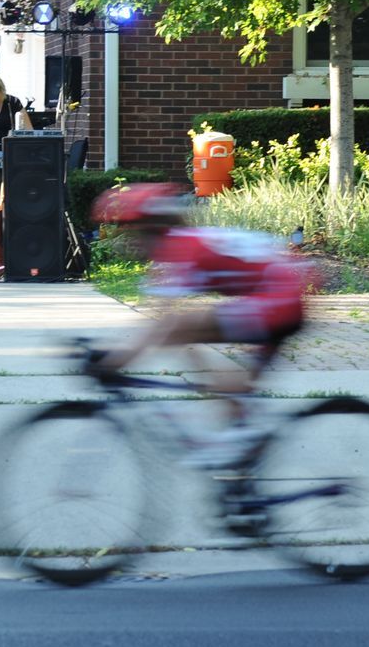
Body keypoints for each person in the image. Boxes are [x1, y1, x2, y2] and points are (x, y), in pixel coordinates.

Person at [86, 182, 315, 465]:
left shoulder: (181, 247)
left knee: (180, 329)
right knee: (192, 343)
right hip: (283, 295)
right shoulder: (184, 241)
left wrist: (111, 363)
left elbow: (162, 323)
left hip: (281, 300)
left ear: (151, 228)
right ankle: (243, 448)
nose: (129, 241)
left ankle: (243, 433)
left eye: (131, 232)